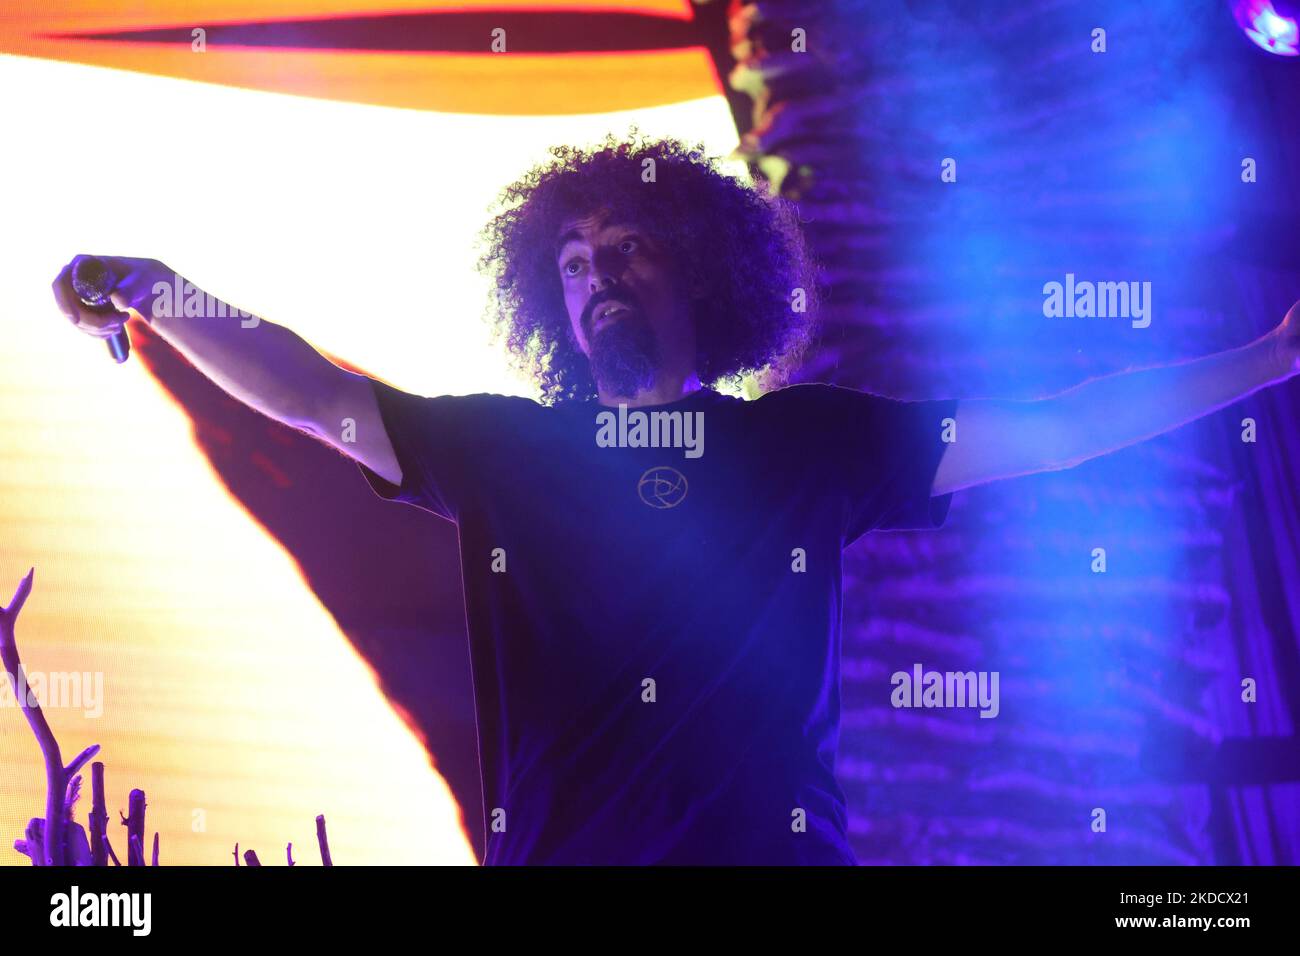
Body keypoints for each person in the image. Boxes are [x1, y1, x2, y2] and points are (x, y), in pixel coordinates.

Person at [51, 134, 1299, 865]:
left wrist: (1264, 358)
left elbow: (1055, 427)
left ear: (698, 265)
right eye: (575, 261)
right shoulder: (505, 456)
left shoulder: (806, 444)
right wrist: (162, 287)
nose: (598, 275)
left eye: (627, 246)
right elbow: (303, 389)